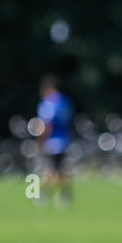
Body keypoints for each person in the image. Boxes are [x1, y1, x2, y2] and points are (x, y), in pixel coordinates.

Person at [37, 75, 75, 207]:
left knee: (52, 170)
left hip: (53, 142)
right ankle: (63, 195)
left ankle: (45, 195)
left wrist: (41, 141)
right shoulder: (65, 101)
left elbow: (47, 125)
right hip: (65, 139)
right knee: (58, 170)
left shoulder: (48, 103)